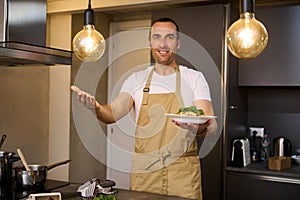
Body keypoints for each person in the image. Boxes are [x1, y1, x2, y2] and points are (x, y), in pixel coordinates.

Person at [71, 17, 217, 200]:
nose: (163, 43)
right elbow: (112, 113)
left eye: (169, 37)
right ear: (150, 42)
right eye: (157, 37)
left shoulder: (194, 78)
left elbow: (211, 126)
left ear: (178, 43)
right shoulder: (136, 79)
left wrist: (200, 127)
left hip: (183, 173)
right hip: (145, 173)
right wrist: (96, 107)